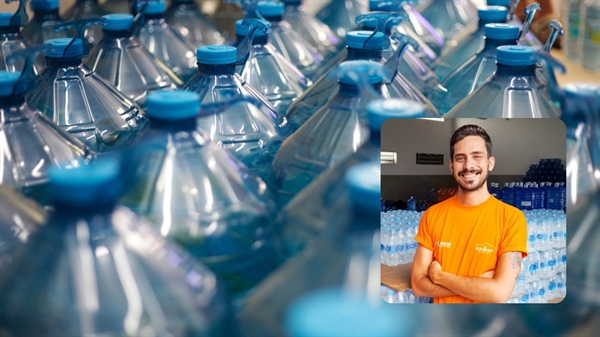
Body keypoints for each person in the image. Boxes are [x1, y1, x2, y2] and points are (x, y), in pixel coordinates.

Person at [410, 124, 528, 304]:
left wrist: (439, 276)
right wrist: (480, 286)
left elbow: (499, 293)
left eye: (476, 157)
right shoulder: (432, 215)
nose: (468, 165)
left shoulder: (512, 219)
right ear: (451, 166)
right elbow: (418, 286)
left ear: (490, 163)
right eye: (460, 158)